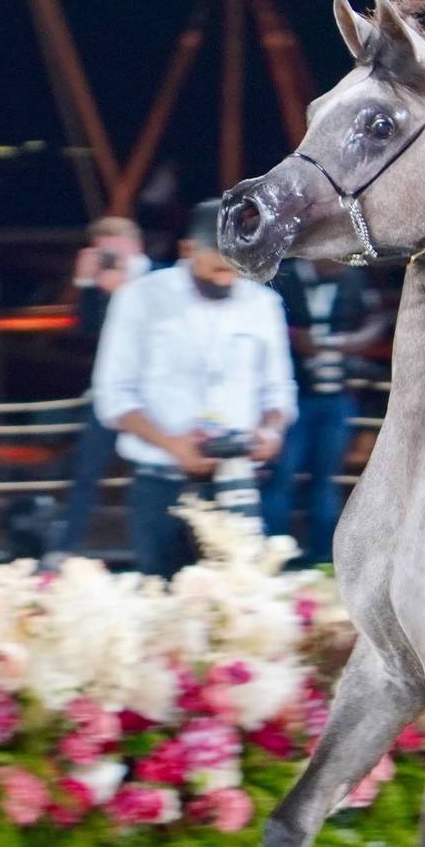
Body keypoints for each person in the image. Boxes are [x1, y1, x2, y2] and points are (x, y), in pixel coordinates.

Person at [92, 201, 293, 579]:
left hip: (237, 483)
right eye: (217, 267)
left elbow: (279, 390)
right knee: (163, 601)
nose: (226, 280)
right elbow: (113, 395)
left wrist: (270, 431)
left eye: (237, 270)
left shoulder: (264, 304)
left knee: (240, 601)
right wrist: (173, 444)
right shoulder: (140, 299)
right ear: (188, 251)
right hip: (161, 484)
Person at [263, 257, 388, 565]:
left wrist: (346, 342)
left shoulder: (353, 280)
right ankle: (273, 560)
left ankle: (324, 559)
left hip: (336, 396)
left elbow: (376, 319)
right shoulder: (285, 276)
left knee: (326, 480)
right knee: (281, 478)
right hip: (293, 396)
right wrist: (296, 338)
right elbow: (263, 320)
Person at [47, 216, 150, 562]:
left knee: (154, 474)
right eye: (104, 251)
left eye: (116, 250)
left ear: (135, 247)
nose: (111, 258)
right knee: (86, 469)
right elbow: (86, 331)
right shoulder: (101, 284)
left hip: (156, 395)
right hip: (112, 392)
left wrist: (125, 285)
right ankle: (66, 548)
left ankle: (156, 549)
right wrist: (87, 283)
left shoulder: (161, 278)